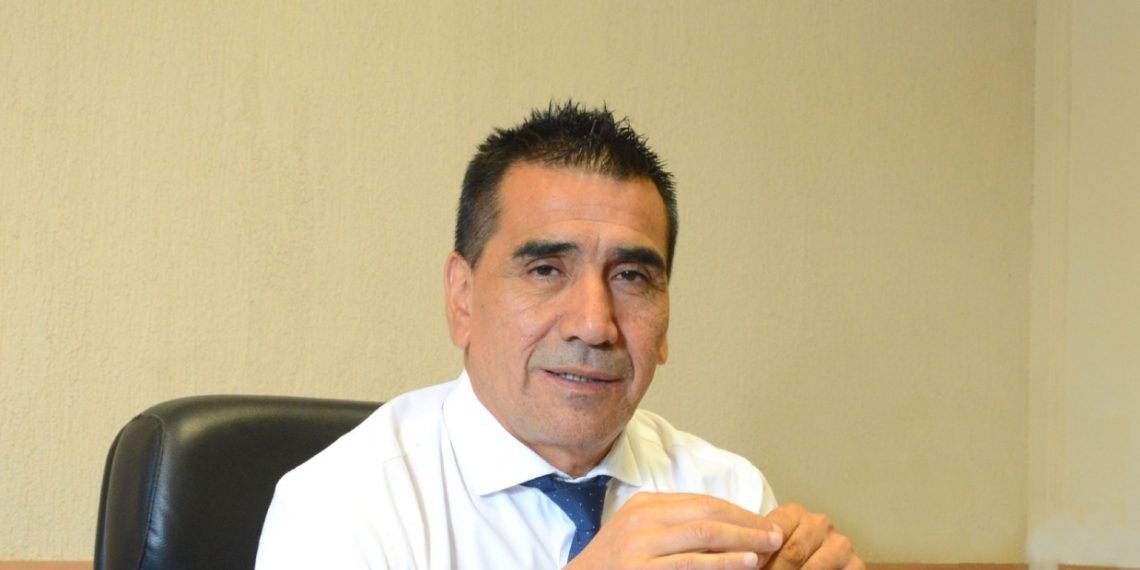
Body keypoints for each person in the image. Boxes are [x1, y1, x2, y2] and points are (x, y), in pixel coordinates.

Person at [256, 102, 861, 569]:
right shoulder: (342, 505)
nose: (594, 324)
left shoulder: (726, 491)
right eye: (546, 270)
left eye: (631, 277)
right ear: (462, 297)